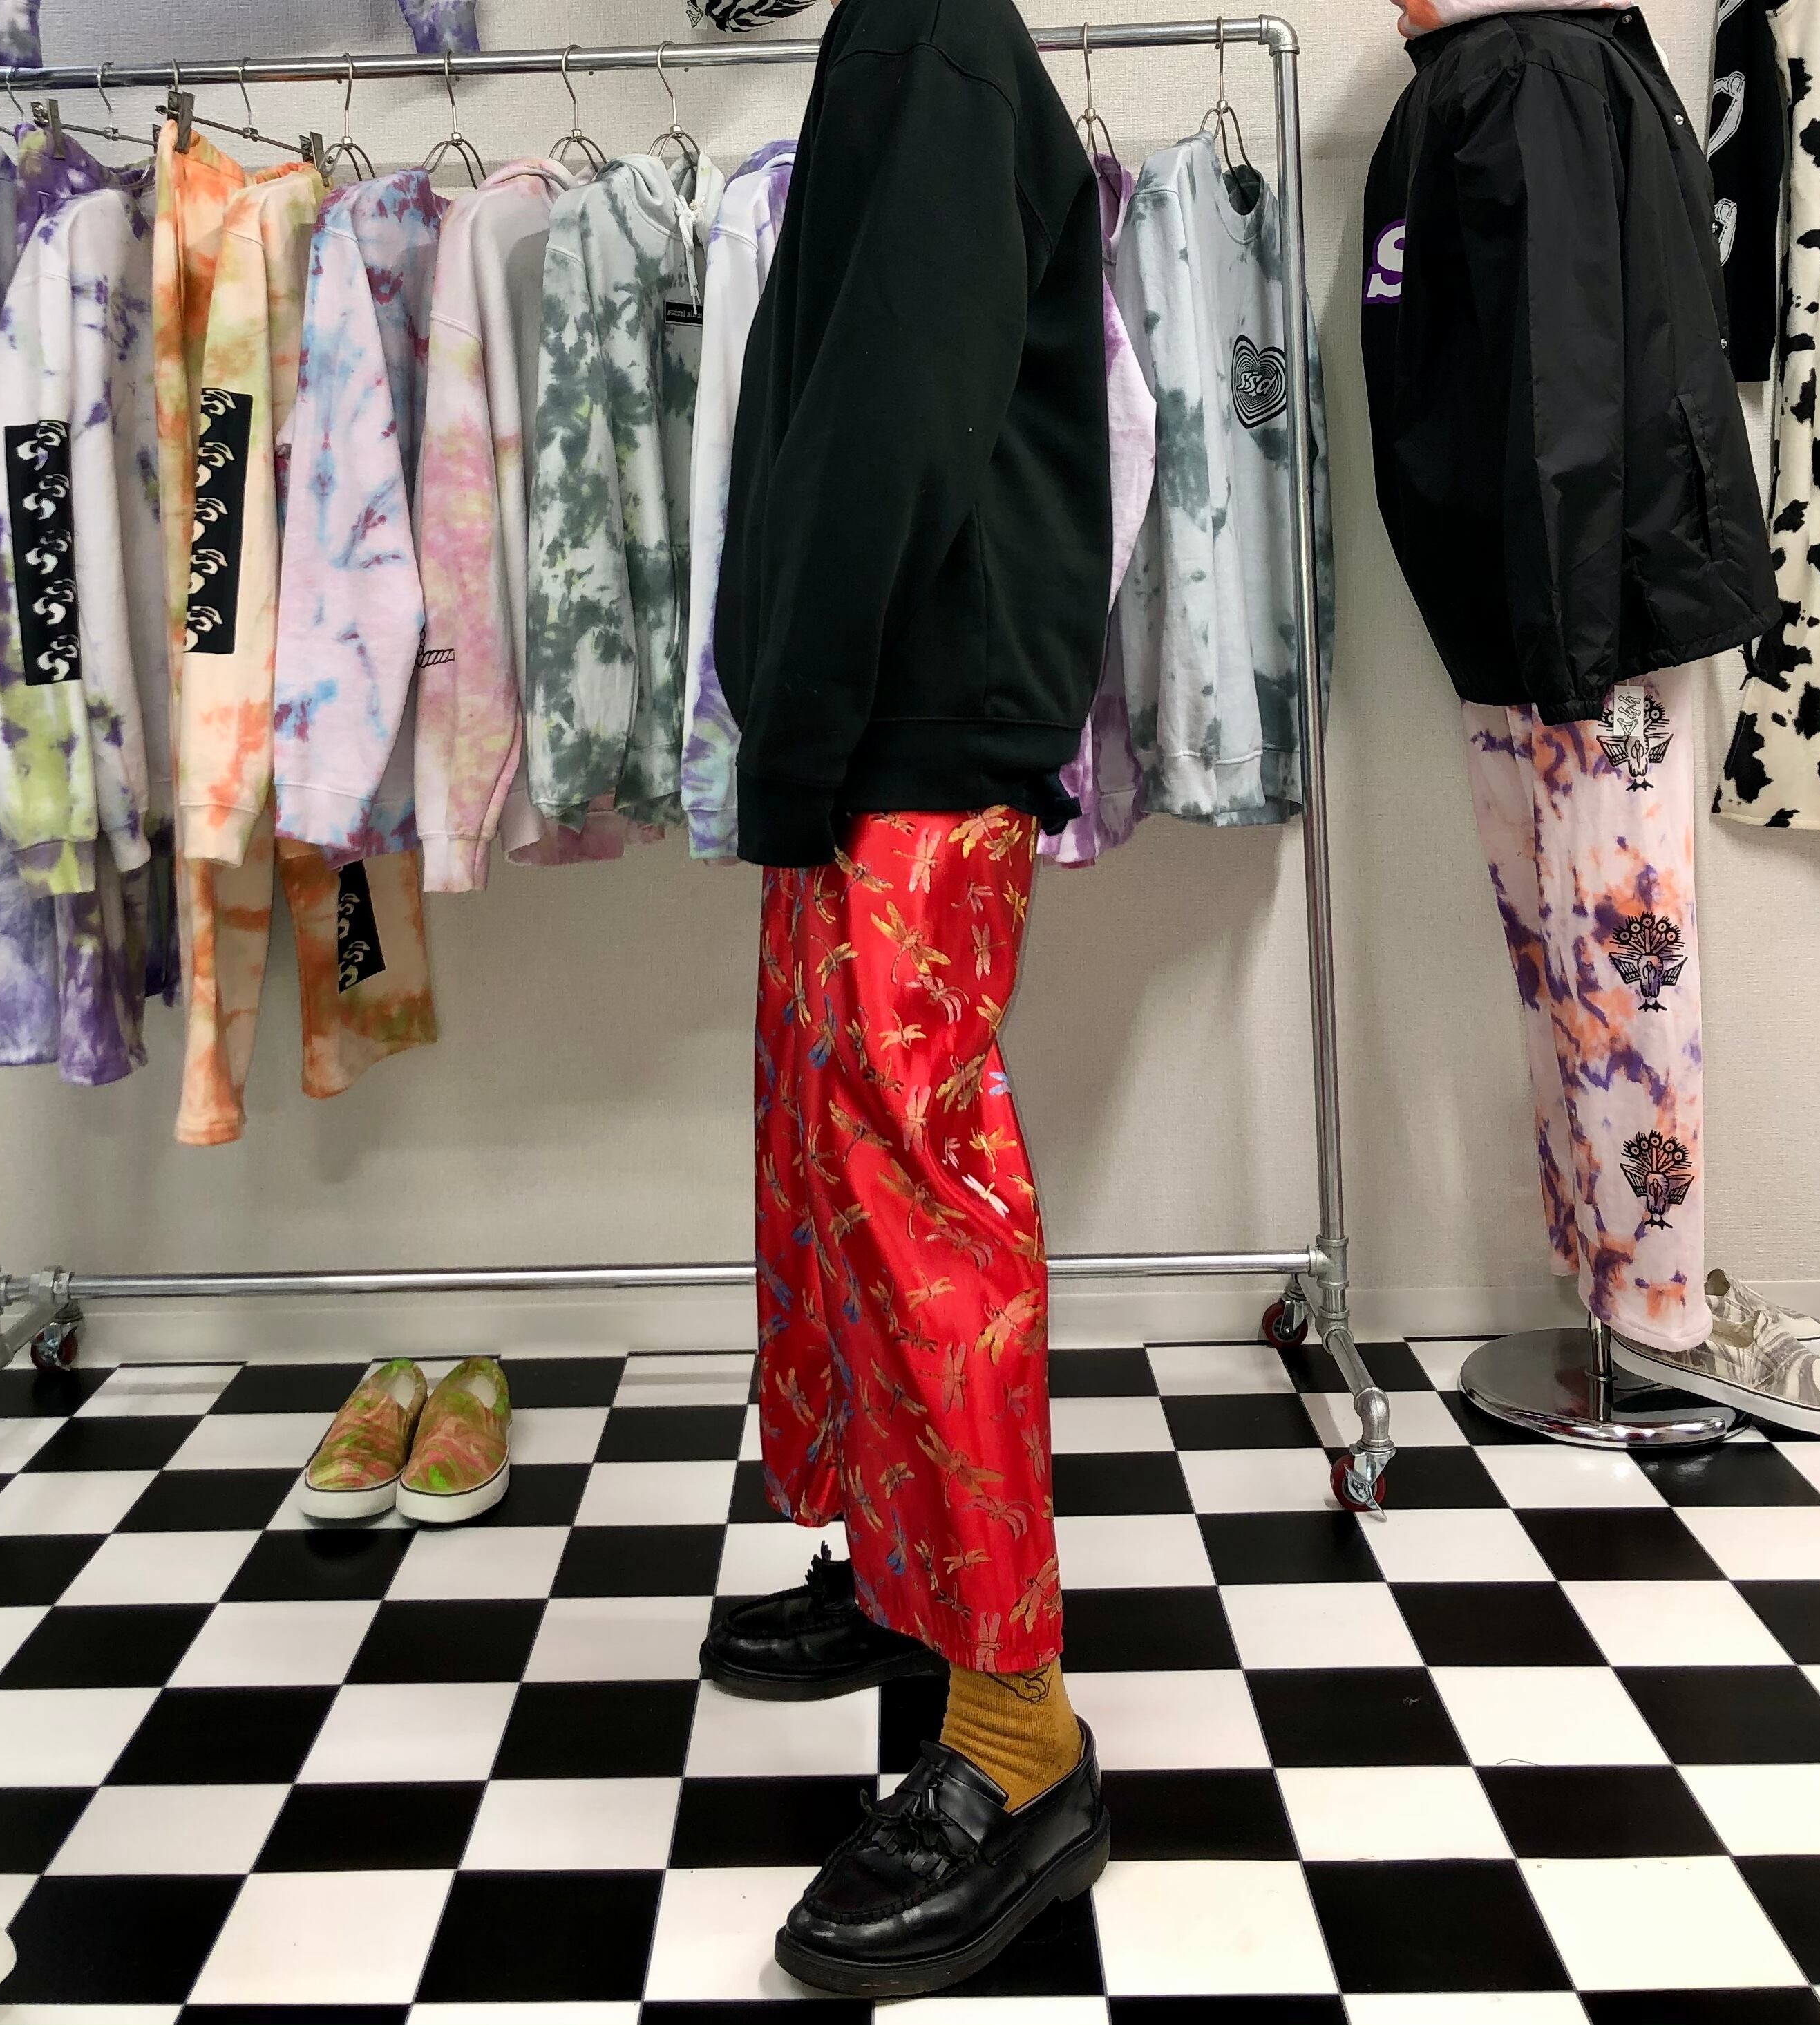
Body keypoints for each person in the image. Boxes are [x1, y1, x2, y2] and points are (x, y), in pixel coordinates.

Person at [705, 0, 1116, 1998]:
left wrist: (798, 720)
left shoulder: (930, 39)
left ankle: (1017, 1734)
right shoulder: (914, 32)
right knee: (843, 1169)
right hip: (890, 720)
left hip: (911, 730)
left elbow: (894, 414)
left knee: (918, 1201)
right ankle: (908, 1577)